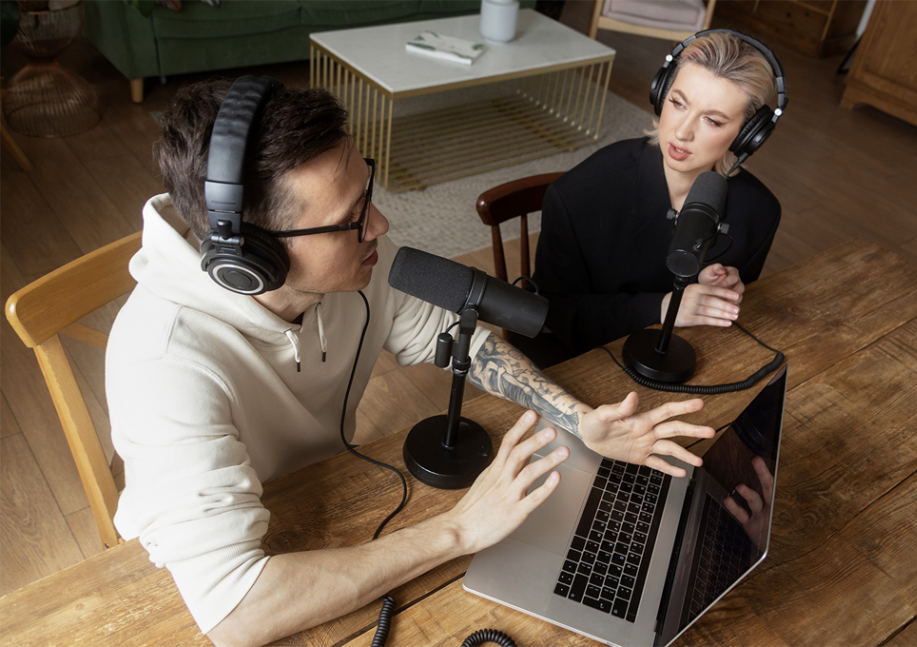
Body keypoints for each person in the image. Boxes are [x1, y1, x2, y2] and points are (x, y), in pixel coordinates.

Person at [105, 79, 717, 647]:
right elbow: (237, 609)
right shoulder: (160, 366)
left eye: (365, 193)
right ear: (255, 258)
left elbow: (458, 339)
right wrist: (457, 530)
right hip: (224, 561)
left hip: (331, 491)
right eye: (351, 221)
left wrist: (580, 419)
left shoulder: (355, 260)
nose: (380, 224)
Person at [527, 31, 783, 363]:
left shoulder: (759, 212)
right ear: (661, 95)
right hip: (583, 359)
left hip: (685, 359)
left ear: (749, 135)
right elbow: (551, 313)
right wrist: (662, 307)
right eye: (678, 103)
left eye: (712, 120)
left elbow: (720, 333)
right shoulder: (577, 195)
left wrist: (715, 292)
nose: (682, 131)